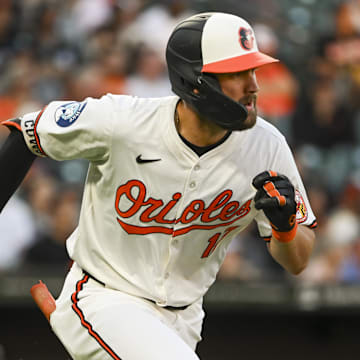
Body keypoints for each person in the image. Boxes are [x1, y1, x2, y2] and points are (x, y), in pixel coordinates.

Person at [0, 12, 317, 360]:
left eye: (253, 70)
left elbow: (299, 261)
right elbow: (27, 132)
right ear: (195, 80)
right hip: (104, 299)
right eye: (237, 73)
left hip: (185, 320)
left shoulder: (267, 147)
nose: (254, 85)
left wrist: (285, 229)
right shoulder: (124, 121)